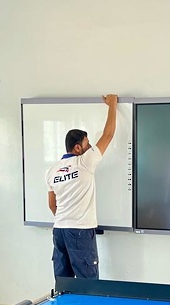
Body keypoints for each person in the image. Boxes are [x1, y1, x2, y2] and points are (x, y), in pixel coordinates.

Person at [46, 94, 118, 279]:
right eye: (88, 143)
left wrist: (67, 219)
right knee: (89, 285)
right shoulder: (85, 162)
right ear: (78, 148)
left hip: (59, 230)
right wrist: (112, 104)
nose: (91, 146)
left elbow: (52, 205)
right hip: (80, 231)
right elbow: (108, 135)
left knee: (64, 284)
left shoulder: (52, 170)